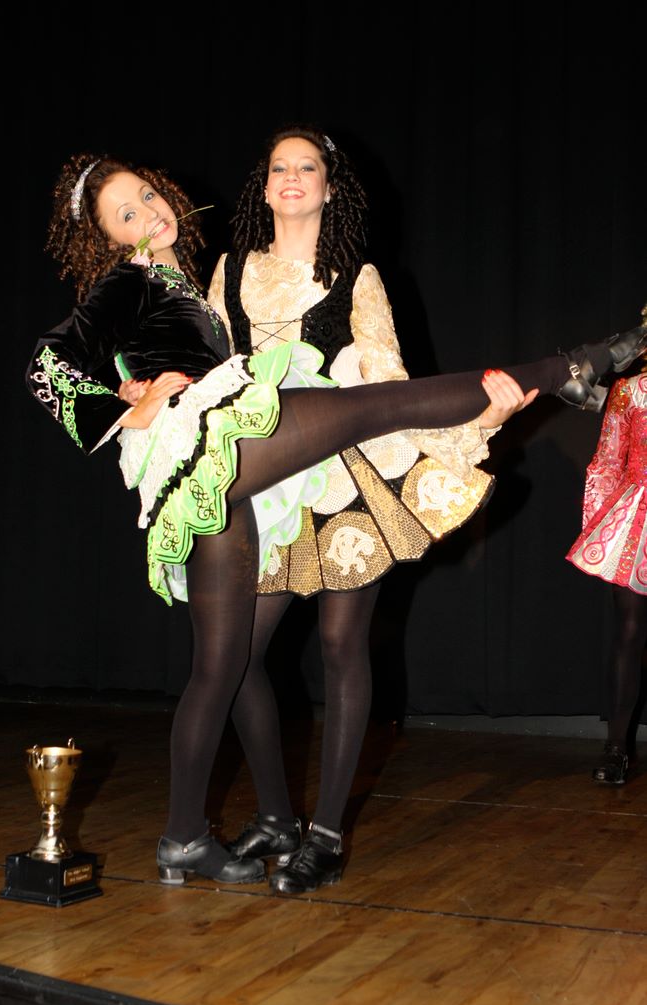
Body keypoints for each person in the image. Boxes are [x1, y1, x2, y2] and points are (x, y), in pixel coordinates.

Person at [26, 152, 645, 888]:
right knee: (375, 408)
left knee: (225, 661)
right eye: (127, 214)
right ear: (107, 239)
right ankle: (566, 369)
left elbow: (153, 345)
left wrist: (132, 381)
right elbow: (48, 363)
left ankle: (189, 837)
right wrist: (122, 406)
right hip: (220, 436)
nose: (152, 213)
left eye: (151, 196)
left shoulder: (179, 278)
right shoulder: (146, 276)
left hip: (238, 466)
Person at [206, 125, 515, 894]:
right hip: (260, 477)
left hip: (343, 474)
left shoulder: (358, 275)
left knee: (343, 643)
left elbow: (389, 380)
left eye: (306, 166)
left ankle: (326, 835)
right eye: (278, 166)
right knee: (233, 653)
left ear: (328, 187)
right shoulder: (229, 270)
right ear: (263, 185)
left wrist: (474, 417)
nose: (291, 177)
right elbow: (206, 371)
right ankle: (275, 816)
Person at [566, 364, 647, 784]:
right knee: (629, 631)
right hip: (637, 518)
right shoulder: (630, 391)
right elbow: (608, 460)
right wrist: (599, 530)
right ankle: (616, 748)